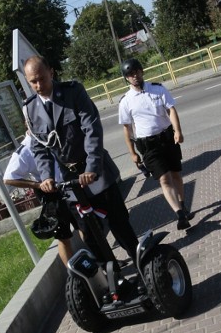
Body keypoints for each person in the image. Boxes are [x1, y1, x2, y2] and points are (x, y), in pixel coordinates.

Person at [22, 55, 139, 264]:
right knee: (91, 235)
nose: (38, 85)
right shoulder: (30, 108)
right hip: (72, 183)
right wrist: (47, 177)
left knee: (120, 226)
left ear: (51, 72)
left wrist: (92, 167)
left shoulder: (73, 92)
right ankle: (114, 280)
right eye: (33, 81)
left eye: (41, 78)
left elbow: (91, 129)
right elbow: (39, 147)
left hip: (97, 174)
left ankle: (141, 265)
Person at [118, 58, 194, 230]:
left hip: (167, 138)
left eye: (136, 72)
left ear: (142, 71)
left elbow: (171, 110)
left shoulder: (158, 89)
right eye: (130, 74)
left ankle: (183, 206)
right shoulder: (126, 101)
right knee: (164, 179)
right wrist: (132, 153)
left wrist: (178, 131)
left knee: (176, 174)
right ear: (126, 78)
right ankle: (180, 215)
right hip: (148, 145)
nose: (135, 76)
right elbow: (127, 129)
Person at [3, 133, 78, 266]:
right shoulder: (25, 149)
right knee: (63, 236)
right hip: (53, 194)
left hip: (70, 185)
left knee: (86, 226)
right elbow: (9, 178)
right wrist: (38, 185)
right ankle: (76, 276)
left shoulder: (51, 136)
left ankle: (100, 265)